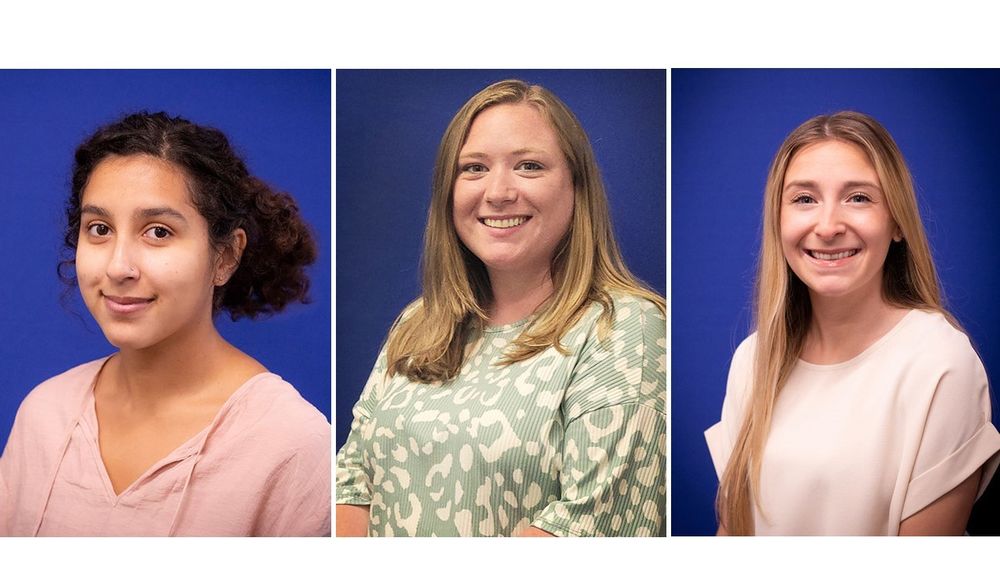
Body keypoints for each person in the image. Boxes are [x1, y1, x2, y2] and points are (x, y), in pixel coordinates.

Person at [335, 79, 666, 537]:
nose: (498, 192)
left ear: (577, 187)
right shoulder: (419, 322)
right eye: (473, 168)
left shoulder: (624, 329)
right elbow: (351, 484)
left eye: (528, 166)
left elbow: (585, 528)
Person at [0, 112, 331, 536]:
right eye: (99, 229)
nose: (119, 267)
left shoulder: (291, 444)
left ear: (226, 256)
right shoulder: (44, 414)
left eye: (157, 232)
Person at [705, 111, 1000, 535]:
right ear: (778, 221)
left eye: (858, 197)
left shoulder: (941, 364)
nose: (827, 227)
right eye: (804, 199)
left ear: (896, 221)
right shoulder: (752, 360)